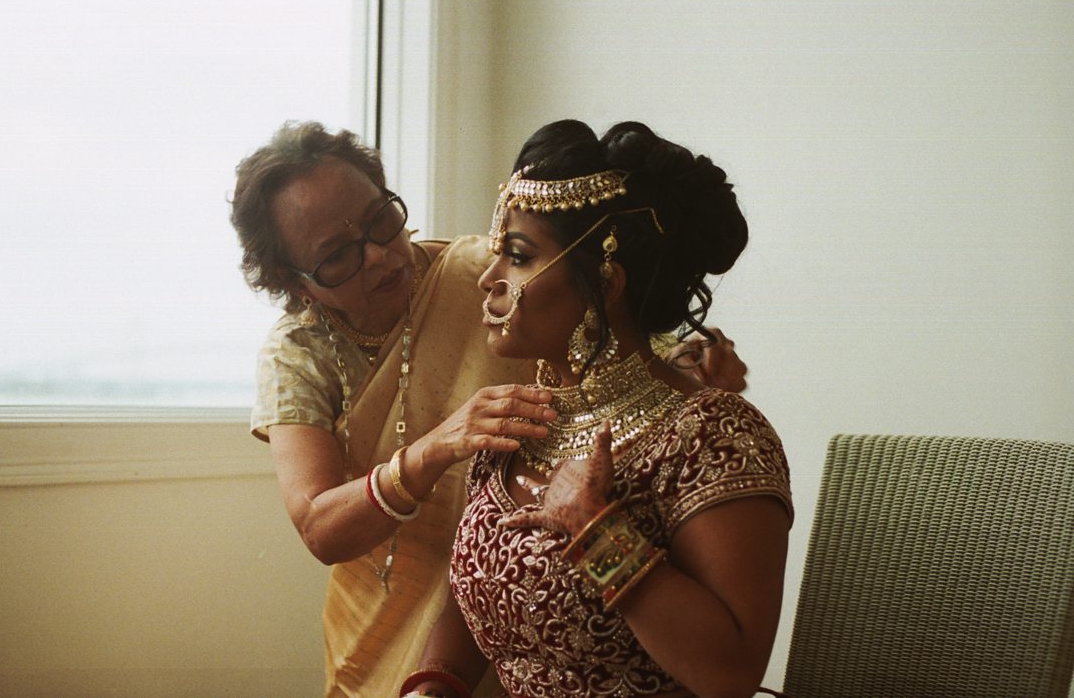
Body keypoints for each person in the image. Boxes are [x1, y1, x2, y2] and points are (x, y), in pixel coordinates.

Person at [229, 121, 752, 697]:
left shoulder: (704, 434)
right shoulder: (300, 355)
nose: (379, 255)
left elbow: (614, 334)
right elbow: (328, 528)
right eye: (336, 256)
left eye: (382, 219)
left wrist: (684, 364)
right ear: (293, 282)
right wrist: (434, 685)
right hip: (419, 626)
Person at [399, 120, 793, 698]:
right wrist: (433, 687)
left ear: (605, 281)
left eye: (518, 256)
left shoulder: (713, 436)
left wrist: (595, 530)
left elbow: (730, 674)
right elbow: (478, 591)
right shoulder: (524, 421)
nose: (488, 279)